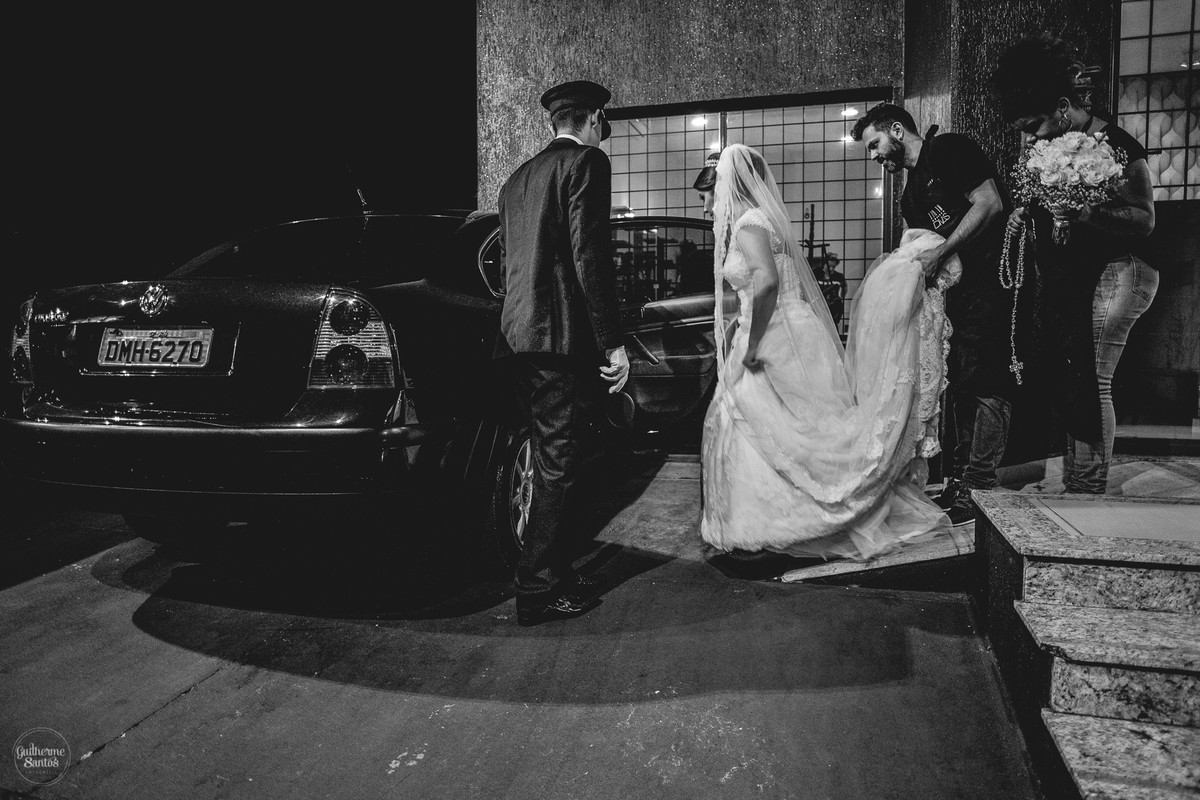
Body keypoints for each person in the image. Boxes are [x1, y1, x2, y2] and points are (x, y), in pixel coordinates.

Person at [698, 143, 951, 561]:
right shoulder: (764, 220)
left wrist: (754, 343)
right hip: (793, 329)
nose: (708, 206)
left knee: (763, 427)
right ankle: (773, 518)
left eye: (709, 194)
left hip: (772, 334)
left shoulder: (747, 223)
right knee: (798, 426)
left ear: (728, 187)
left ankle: (777, 523)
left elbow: (765, 283)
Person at [993, 35, 1157, 494]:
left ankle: (1088, 483)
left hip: (1122, 270)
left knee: (1093, 377)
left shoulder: (1117, 144)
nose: (1030, 137)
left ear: (1063, 107)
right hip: (1075, 280)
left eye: (1035, 124)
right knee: (1073, 374)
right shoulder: (1050, 147)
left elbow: (1144, 220)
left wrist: (1082, 212)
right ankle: (1081, 477)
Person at [495, 79, 630, 626]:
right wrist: (613, 341)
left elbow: (510, 266)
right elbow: (588, 255)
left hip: (519, 337)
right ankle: (538, 589)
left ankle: (558, 569)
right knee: (558, 463)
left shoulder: (515, 180)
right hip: (561, 338)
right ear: (594, 119)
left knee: (559, 457)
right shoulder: (588, 164)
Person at [851, 103, 1015, 527]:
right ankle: (962, 483)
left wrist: (942, 250)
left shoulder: (949, 150)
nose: (874, 156)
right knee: (959, 383)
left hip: (992, 284)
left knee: (986, 381)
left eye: (875, 144)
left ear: (897, 130)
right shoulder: (909, 195)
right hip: (952, 300)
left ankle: (980, 484)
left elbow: (990, 202)